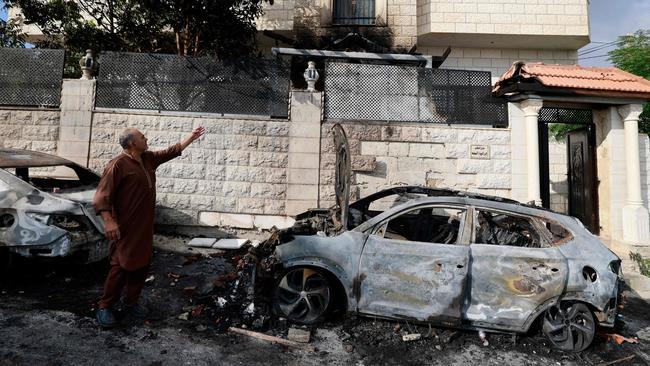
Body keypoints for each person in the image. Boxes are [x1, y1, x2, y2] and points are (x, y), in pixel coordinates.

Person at [93, 126, 205, 328]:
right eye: (142, 137)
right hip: (125, 228)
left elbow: (171, 151)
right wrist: (109, 221)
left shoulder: (147, 159)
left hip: (144, 227)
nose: (146, 139)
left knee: (142, 265)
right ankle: (105, 306)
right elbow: (102, 195)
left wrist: (191, 137)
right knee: (120, 266)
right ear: (131, 143)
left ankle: (130, 302)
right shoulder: (117, 165)